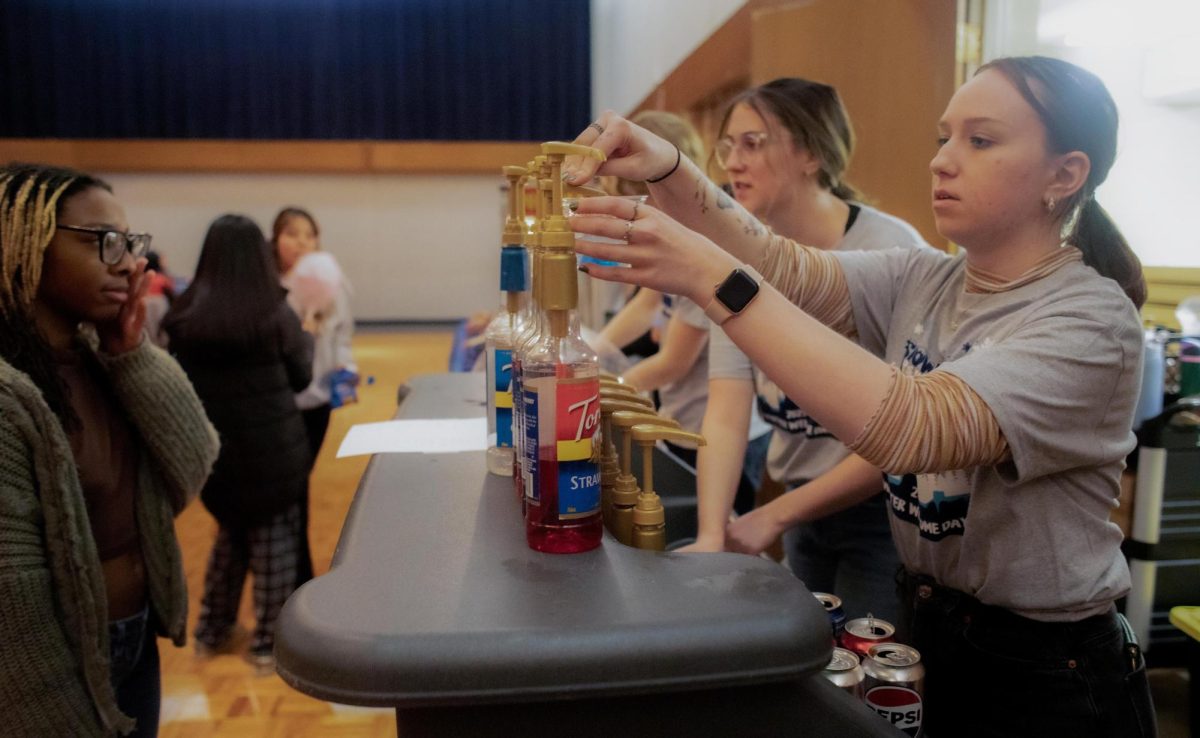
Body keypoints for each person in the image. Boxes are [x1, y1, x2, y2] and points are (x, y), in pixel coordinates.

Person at [567, 56, 1155, 736]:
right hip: (935, 621)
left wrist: (710, 278)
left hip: (1048, 670)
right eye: (944, 137)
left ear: (1065, 174)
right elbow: (778, 265)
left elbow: (916, 427)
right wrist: (670, 168)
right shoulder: (925, 278)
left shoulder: (1091, 320)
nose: (943, 161)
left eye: (981, 140)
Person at [674, 79, 926, 624]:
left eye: (753, 144)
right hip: (801, 505)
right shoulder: (735, 259)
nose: (733, 162)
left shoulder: (892, 252)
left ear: (812, 153)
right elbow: (726, 406)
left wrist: (774, 516)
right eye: (728, 146)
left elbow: (910, 430)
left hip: (883, 514)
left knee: (864, 679)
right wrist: (712, 532)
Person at [0, 163, 219, 735]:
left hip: (134, 638)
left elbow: (193, 463)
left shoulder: (99, 357)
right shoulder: (6, 396)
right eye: (104, 242)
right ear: (23, 244)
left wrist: (132, 352)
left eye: (128, 242)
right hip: (54, 667)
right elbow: (12, 604)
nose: (128, 262)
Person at [164, 214, 313, 673]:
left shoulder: (185, 317)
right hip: (275, 453)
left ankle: (211, 628)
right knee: (273, 545)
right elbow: (301, 377)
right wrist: (306, 336)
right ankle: (269, 642)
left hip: (217, 456)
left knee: (230, 538)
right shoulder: (274, 313)